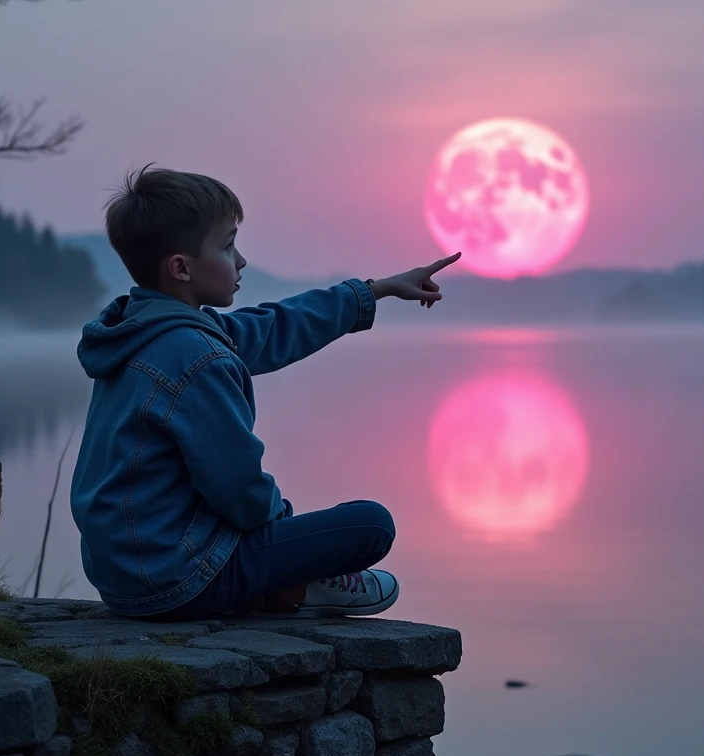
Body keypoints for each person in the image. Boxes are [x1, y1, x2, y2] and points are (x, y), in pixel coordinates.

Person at [69, 165, 458, 621]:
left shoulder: (143, 331)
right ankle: (291, 588)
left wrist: (378, 290)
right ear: (181, 267)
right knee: (370, 526)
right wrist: (290, 537)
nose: (241, 261)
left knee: (320, 528)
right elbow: (240, 491)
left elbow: (274, 327)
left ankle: (271, 586)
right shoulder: (195, 357)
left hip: (123, 579)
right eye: (227, 245)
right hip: (179, 579)